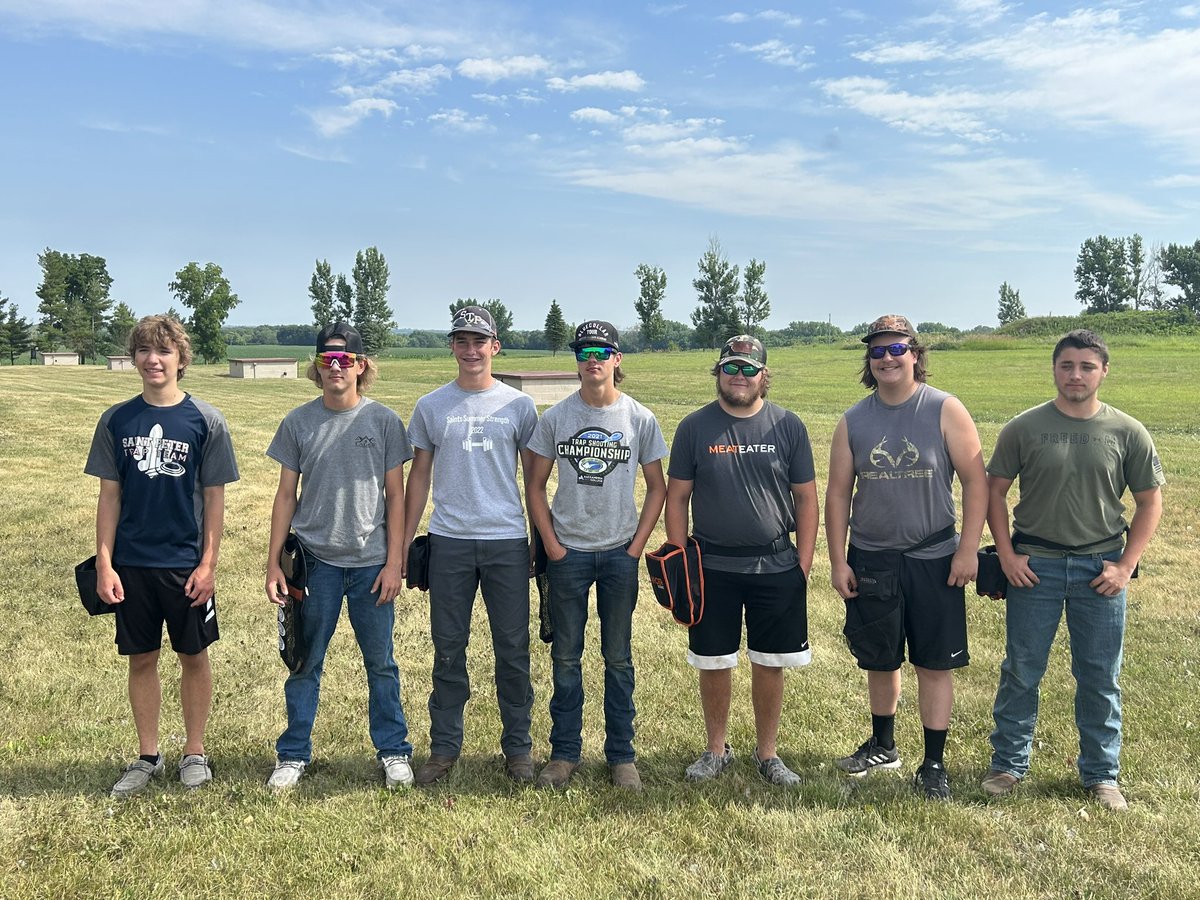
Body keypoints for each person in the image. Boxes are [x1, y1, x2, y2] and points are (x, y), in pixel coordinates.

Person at [981, 329, 1163, 811]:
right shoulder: (1024, 427)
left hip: (1099, 569)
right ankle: (1007, 764)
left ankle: (1102, 775)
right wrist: (1006, 554)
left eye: (1086, 366)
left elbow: (1149, 501)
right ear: (1054, 369)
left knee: (1100, 675)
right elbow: (993, 491)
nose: (1076, 375)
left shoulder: (1127, 432)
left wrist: (1127, 565)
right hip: (1034, 567)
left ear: (1104, 371)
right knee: (1022, 670)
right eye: (1067, 366)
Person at [825, 315, 986, 800]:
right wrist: (838, 561)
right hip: (872, 558)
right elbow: (837, 494)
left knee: (934, 663)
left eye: (897, 349)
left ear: (916, 354)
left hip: (934, 556)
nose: (888, 359)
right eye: (877, 352)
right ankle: (883, 743)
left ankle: (933, 763)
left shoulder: (944, 409)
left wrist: (966, 550)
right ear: (868, 362)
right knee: (881, 656)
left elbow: (977, 482)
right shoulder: (854, 420)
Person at [85, 314, 239, 797]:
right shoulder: (117, 419)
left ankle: (195, 752)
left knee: (193, 656)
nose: (154, 360)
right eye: (145, 351)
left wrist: (208, 564)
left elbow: (214, 499)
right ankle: (148, 755)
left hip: (185, 563)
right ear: (134, 358)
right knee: (141, 659)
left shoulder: (205, 420)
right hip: (132, 564)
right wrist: (105, 562)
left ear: (180, 359)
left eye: (164, 351)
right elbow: (109, 496)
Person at [263, 321, 414, 790]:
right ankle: (293, 754)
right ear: (316, 366)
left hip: (371, 564)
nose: (335, 367)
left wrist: (395, 562)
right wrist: (273, 563)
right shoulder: (298, 422)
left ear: (360, 366)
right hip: (315, 562)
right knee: (305, 661)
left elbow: (397, 496)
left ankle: (393, 751)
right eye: (327, 360)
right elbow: (286, 495)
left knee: (381, 663)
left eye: (344, 360)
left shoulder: (384, 422)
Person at [664, 335, 818, 787]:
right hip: (711, 566)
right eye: (731, 367)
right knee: (713, 661)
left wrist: (802, 566)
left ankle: (768, 754)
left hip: (775, 564)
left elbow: (806, 500)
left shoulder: (788, 426)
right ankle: (716, 749)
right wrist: (680, 560)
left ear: (764, 376)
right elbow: (677, 499)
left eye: (749, 369)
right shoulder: (695, 427)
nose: (739, 376)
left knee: (769, 661)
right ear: (718, 372)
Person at [525, 320, 667, 791]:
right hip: (569, 554)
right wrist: (551, 545)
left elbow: (657, 488)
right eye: (584, 351)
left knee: (618, 658)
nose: (593, 359)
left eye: (602, 351)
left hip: (618, 555)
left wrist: (636, 545)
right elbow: (535, 486)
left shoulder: (639, 418)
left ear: (617, 359)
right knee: (566, 658)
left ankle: (622, 756)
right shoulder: (556, 418)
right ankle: (564, 754)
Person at [403, 306, 539, 785]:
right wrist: (402, 543)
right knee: (447, 648)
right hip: (450, 541)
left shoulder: (519, 406)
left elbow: (535, 481)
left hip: (505, 540)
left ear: (495, 346)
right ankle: (443, 748)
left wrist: (538, 541)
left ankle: (518, 749)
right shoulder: (431, 406)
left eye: (479, 341)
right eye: (462, 341)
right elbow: (418, 477)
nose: (471, 350)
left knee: (512, 648)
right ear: (452, 347)